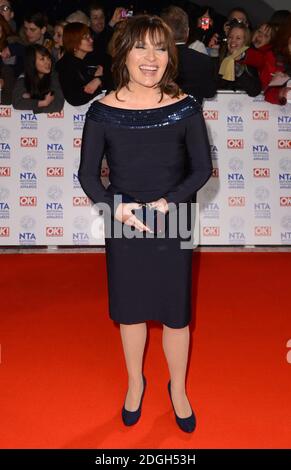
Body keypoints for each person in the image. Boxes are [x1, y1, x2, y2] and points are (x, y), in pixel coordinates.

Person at [78, 14, 212, 433]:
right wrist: (113, 207)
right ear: (123, 53)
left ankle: (178, 388)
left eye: (160, 48)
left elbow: (202, 169)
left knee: (176, 316)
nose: (151, 58)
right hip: (123, 218)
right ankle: (136, 383)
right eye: (141, 47)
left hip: (175, 215)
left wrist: (170, 202)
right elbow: (87, 175)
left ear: (170, 56)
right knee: (131, 312)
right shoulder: (101, 111)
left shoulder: (186, 107)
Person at [161, 6, 217, 103]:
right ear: (187, 32)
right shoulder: (204, 60)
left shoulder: (154, 59)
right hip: (192, 116)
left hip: (159, 115)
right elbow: (209, 93)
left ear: (161, 32)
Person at [56, 22, 103, 107]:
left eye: (90, 37)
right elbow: (75, 98)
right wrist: (97, 84)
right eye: (86, 38)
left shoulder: (86, 60)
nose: (91, 40)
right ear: (74, 43)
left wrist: (98, 79)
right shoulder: (66, 66)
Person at [12, 44, 64, 113]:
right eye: (42, 59)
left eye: (48, 58)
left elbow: (58, 105)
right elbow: (17, 102)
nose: (48, 62)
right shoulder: (24, 78)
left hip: (52, 123)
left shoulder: (54, 76)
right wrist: (43, 103)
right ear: (32, 62)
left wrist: (31, 99)